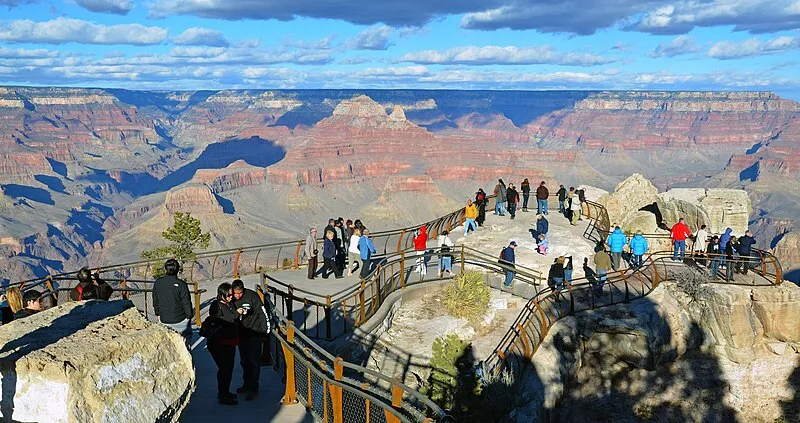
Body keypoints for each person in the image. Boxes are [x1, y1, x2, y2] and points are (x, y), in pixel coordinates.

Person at [231, 279, 274, 401]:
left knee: (254, 361)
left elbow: (262, 313)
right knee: (244, 360)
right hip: (241, 333)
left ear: (243, 290)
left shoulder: (252, 296)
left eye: (240, 293)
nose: (238, 296)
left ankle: (254, 388)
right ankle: (246, 384)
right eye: (235, 293)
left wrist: (265, 332)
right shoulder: (231, 298)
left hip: (255, 332)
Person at [206, 283, 240, 405]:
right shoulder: (216, 306)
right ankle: (223, 394)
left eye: (231, 295)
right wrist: (237, 313)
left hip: (229, 342)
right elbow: (224, 320)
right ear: (221, 295)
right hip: (219, 343)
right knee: (224, 369)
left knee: (228, 369)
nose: (231, 297)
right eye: (228, 295)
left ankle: (225, 392)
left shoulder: (229, 304)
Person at [153, 259, 193, 347]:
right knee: (185, 343)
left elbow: (155, 300)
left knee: (168, 344)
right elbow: (186, 302)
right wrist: (189, 316)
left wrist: (158, 313)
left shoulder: (158, 283)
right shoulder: (182, 284)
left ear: (165, 269)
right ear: (178, 270)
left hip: (164, 319)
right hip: (181, 319)